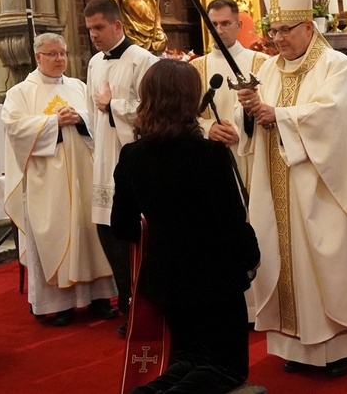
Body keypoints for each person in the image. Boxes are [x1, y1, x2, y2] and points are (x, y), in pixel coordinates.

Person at [235, 0, 347, 378]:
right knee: (281, 260)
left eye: (286, 29)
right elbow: (255, 124)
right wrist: (251, 110)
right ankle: (293, 344)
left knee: (324, 263)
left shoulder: (335, 64)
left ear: (308, 26)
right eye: (273, 31)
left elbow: (335, 118)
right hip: (276, 186)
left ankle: (335, 348)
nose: (278, 38)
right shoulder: (269, 69)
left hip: (323, 189)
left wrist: (281, 116)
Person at [111, 59, 260, 393]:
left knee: (190, 358)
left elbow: (121, 226)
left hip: (165, 277)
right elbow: (232, 221)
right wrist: (250, 257)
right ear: (191, 100)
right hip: (213, 278)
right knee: (225, 367)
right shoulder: (210, 155)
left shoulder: (132, 155)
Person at [2, 33, 118, 327]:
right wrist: (53, 121)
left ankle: (100, 298)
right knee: (55, 234)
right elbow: (15, 129)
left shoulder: (79, 86)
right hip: (47, 180)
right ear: (37, 57)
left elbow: (99, 119)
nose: (60, 60)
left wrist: (80, 118)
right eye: (52, 54)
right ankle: (60, 303)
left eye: (63, 54)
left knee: (90, 233)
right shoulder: (21, 92)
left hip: (83, 173)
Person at [84, 0, 158, 335]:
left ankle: (149, 305)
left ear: (117, 25)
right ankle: (126, 301)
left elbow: (153, 109)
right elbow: (91, 111)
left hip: (134, 157)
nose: (94, 35)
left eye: (99, 28)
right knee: (107, 228)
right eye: (89, 30)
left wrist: (114, 106)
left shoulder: (143, 60)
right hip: (104, 159)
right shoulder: (94, 63)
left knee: (139, 232)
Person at [191, 0, 268, 195]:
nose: (219, 30)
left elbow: (271, 108)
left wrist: (240, 131)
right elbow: (186, 115)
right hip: (211, 151)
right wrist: (208, 128)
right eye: (213, 24)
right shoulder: (195, 68)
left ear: (238, 25)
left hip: (252, 153)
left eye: (225, 23)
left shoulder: (262, 63)